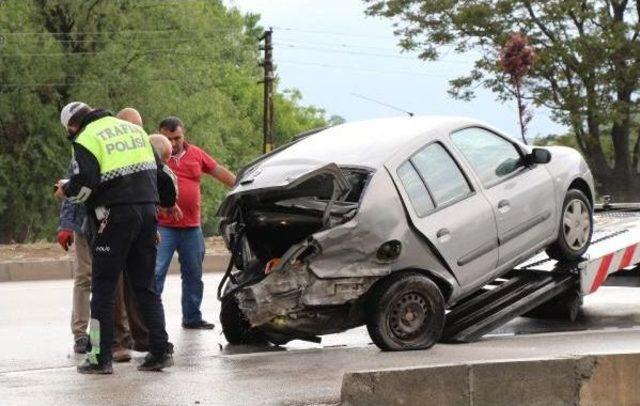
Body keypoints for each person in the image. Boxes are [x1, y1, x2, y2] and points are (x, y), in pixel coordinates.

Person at [55, 101, 177, 374]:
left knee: (103, 287)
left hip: (114, 215)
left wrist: (67, 191)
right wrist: (164, 202)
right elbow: (165, 178)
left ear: (73, 126)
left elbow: (84, 185)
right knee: (145, 285)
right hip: (148, 212)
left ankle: (99, 356)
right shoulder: (133, 131)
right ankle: (159, 350)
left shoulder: (86, 138)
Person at [155, 116, 236, 330]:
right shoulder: (153, 156)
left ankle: (192, 317)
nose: (172, 144)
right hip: (163, 227)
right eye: (168, 139)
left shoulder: (197, 154)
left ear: (184, 135)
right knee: (155, 274)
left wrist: (242, 187)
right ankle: (150, 322)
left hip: (191, 227)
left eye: (177, 138)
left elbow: (219, 172)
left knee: (194, 275)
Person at [58, 170, 132, 362]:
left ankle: (121, 332)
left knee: (116, 278)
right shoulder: (84, 149)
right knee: (85, 277)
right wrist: (66, 224)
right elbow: (71, 188)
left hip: (112, 222)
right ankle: (81, 333)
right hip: (85, 224)